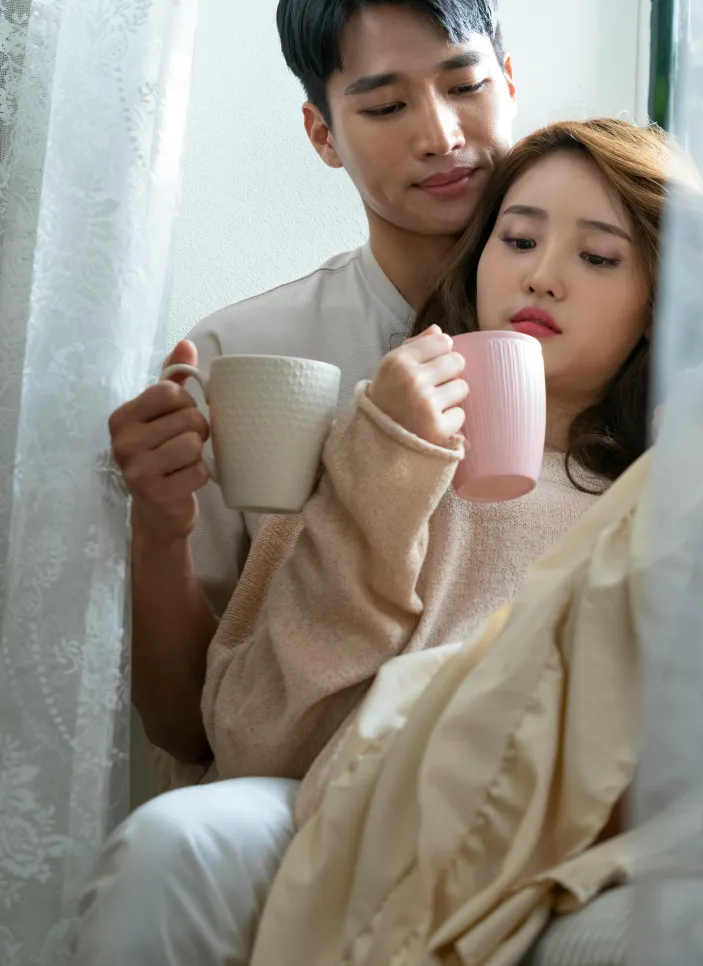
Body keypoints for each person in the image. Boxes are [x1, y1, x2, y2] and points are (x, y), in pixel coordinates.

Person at [74, 118, 703, 966]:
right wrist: (387, 466)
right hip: (348, 810)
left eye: (599, 258)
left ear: (659, 305)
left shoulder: (665, 490)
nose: (542, 275)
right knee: (177, 842)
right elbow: (260, 741)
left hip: (548, 843)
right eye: (517, 238)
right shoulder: (373, 441)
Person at [107, 0, 517, 769]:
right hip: (297, 792)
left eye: (465, 86)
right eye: (388, 104)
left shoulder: (603, 329)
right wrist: (158, 528)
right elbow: (182, 724)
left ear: (510, 84)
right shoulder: (242, 355)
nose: (442, 135)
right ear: (323, 134)